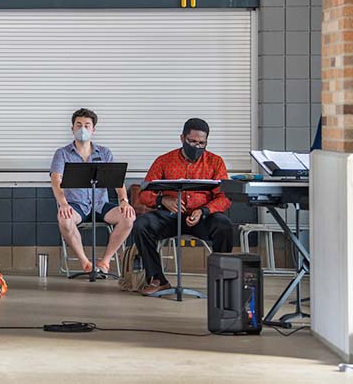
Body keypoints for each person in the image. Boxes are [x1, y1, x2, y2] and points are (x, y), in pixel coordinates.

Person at [134, 118, 233, 296]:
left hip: (202, 217)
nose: (197, 146)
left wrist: (204, 210)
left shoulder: (215, 162)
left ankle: (222, 280)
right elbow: (144, 194)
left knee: (224, 225)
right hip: (170, 216)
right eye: (192, 141)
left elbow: (224, 197)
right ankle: (157, 279)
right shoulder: (164, 161)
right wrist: (162, 200)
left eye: (201, 143)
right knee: (142, 225)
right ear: (182, 138)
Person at [50, 108, 135, 275]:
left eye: (87, 125)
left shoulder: (104, 153)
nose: (82, 129)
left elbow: (118, 181)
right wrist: (63, 204)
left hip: (100, 205)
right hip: (76, 205)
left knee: (129, 217)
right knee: (64, 219)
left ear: (93, 129)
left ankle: (105, 261)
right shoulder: (62, 154)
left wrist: (124, 201)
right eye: (78, 125)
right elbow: (56, 180)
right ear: (72, 128)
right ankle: (85, 262)